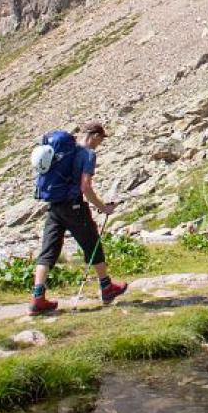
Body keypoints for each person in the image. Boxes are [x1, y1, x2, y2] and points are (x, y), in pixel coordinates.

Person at [30, 122, 128, 315]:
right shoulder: (87, 154)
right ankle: (107, 288)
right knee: (93, 244)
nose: (99, 144)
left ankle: (37, 298)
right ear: (94, 135)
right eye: (100, 140)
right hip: (74, 206)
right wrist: (103, 208)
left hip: (54, 207)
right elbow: (85, 187)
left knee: (48, 251)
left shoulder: (63, 151)